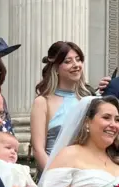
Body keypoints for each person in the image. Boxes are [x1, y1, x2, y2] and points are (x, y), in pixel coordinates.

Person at [30, 41, 93, 171]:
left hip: (87, 172)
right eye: (68, 61)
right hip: (55, 172)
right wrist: (54, 178)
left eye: (78, 59)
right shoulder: (43, 102)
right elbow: (38, 150)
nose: (76, 65)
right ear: (56, 68)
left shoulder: (89, 100)